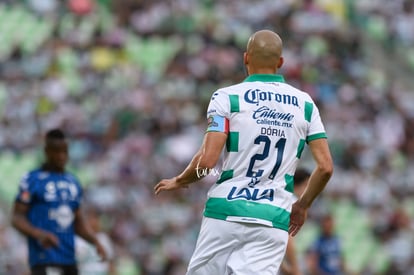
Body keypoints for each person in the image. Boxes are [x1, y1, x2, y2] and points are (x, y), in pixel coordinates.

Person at [154, 29, 333, 275]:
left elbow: (207, 160)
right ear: (280, 62)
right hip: (272, 217)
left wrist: (180, 180)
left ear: (245, 58)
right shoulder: (305, 105)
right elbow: (325, 167)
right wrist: (302, 206)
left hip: (225, 211)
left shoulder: (227, 98)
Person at [11, 128, 107, 275]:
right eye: (57, 151)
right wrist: (39, 234)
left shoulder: (73, 182)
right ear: (47, 151)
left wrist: (95, 241)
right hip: (44, 258)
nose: (61, 157)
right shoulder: (32, 180)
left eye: (65, 152)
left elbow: (78, 222)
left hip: (69, 259)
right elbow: (17, 218)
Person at [280, 168, 311, 275]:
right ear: (297, 185)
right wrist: (295, 268)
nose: (309, 190)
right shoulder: (293, 203)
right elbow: (288, 238)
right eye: (307, 185)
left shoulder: (282, 200)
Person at [75, 207, 115, 275]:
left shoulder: (103, 238)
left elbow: (110, 263)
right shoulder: (78, 239)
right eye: (92, 218)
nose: (95, 222)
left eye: (97, 219)